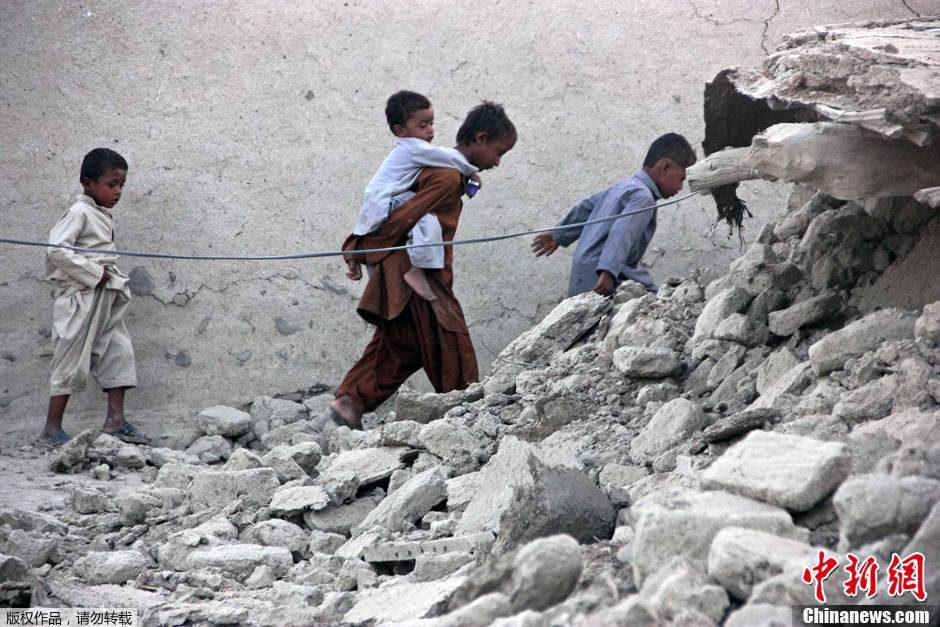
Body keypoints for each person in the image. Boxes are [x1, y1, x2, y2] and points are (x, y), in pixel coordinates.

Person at [328, 101, 517, 429]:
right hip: (418, 276)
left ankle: (350, 401)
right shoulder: (446, 176)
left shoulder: (447, 169)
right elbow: (405, 216)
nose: (498, 162)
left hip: (405, 273)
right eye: (499, 153)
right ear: (481, 138)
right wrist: (360, 247)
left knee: (403, 344)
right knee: (451, 338)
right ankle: (468, 416)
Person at [38, 148, 150, 447]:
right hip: (82, 297)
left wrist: (104, 278)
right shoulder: (79, 212)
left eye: (122, 185)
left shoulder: (100, 213)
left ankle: (115, 421)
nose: (118, 191)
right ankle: (51, 429)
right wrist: (93, 272)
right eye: (112, 184)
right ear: (88, 183)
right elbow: (57, 250)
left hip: (105, 295)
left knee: (118, 351)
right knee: (70, 357)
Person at [349, 90, 482, 302]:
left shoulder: (410, 149)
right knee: (429, 223)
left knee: (386, 246)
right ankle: (417, 271)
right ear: (400, 131)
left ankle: (362, 264)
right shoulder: (413, 147)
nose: (430, 130)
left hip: (379, 203)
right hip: (387, 201)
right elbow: (447, 156)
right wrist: (471, 173)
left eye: (431, 123)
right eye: (422, 125)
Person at [531, 133, 697, 296]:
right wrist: (608, 271)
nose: (681, 187)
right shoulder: (643, 198)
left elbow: (586, 208)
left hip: (585, 269)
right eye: (681, 178)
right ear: (665, 167)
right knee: (661, 299)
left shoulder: (625, 186)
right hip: (601, 276)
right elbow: (623, 232)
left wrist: (558, 234)